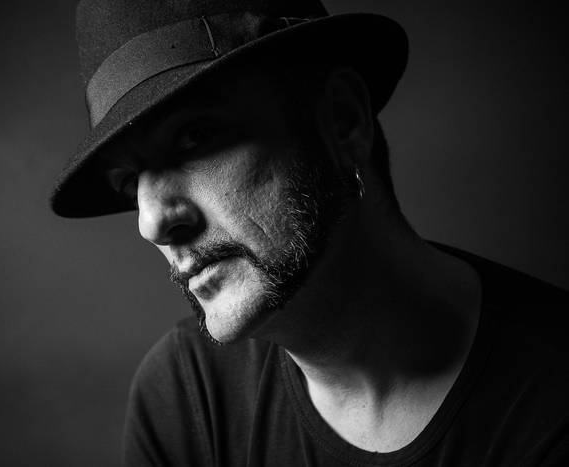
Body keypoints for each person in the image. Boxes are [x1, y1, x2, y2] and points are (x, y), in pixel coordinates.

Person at [51, 0, 569, 465]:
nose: (152, 223)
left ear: (342, 120)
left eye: (193, 137)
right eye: (129, 183)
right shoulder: (188, 393)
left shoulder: (550, 402)